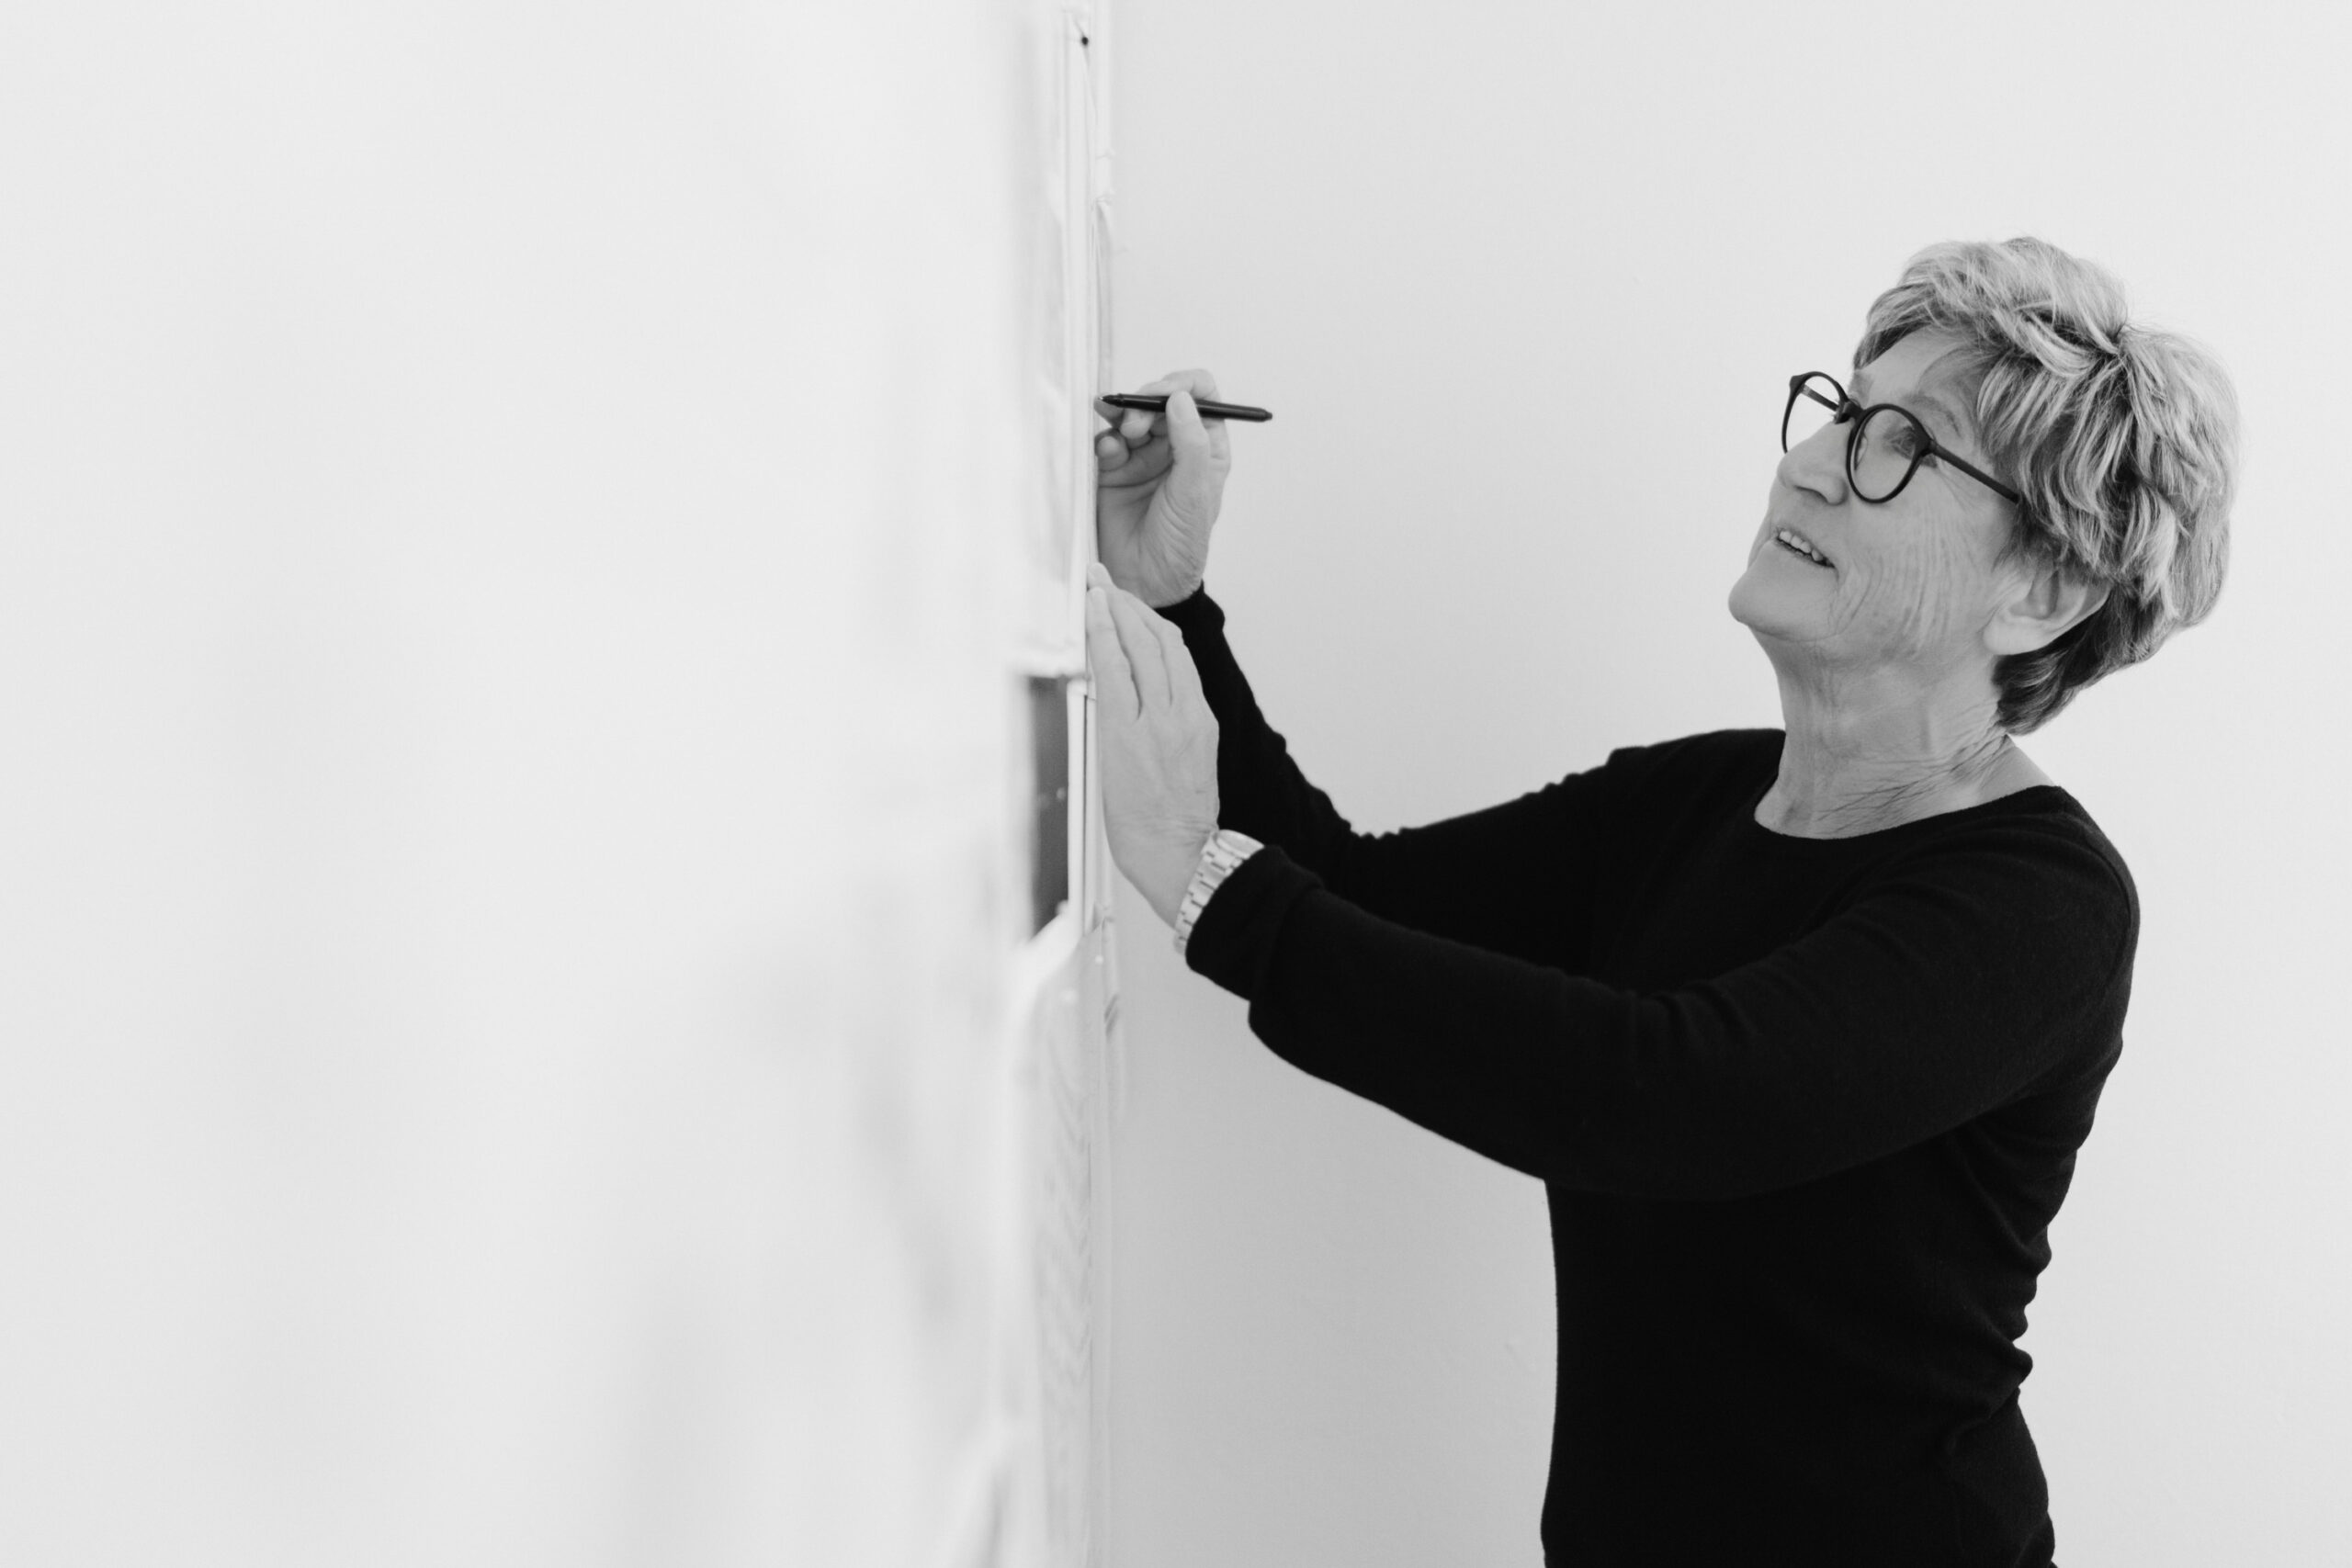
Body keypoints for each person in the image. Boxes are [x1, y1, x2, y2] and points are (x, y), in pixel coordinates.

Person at [1080, 236, 2238, 1567]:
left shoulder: (2042, 907)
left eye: (1904, 446)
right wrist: (1172, 603)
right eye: (1845, 411)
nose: (1814, 464)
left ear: (2043, 594)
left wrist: (1210, 886)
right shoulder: (1688, 802)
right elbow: (1346, 889)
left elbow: (1666, 1100)